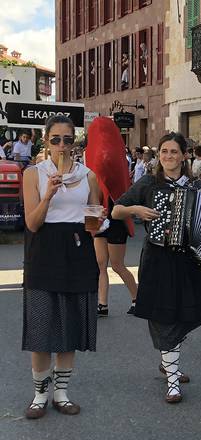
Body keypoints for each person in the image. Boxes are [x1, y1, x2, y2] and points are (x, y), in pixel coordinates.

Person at [112, 132, 201, 403]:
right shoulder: (148, 183)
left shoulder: (197, 187)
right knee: (164, 317)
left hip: (190, 263)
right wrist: (137, 210)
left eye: (173, 151)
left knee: (187, 314)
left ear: (184, 155)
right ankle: (172, 380)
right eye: (164, 151)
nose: (168, 156)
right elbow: (115, 211)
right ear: (159, 156)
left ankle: (169, 360)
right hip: (158, 260)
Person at [22, 115, 102, 419]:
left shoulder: (88, 176)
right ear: (46, 141)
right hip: (43, 252)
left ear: (75, 142)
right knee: (42, 327)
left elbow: (93, 224)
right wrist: (49, 195)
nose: (62, 146)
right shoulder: (34, 174)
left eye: (68, 140)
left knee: (69, 325)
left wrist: (99, 219)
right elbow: (31, 222)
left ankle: (62, 393)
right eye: (55, 139)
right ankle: (39, 394)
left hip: (77, 253)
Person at [85, 117, 139, 318]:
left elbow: (97, 182)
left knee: (115, 265)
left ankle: (137, 298)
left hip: (112, 214)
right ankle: (102, 303)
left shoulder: (102, 155)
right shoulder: (116, 155)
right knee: (101, 263)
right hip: (100, 211)